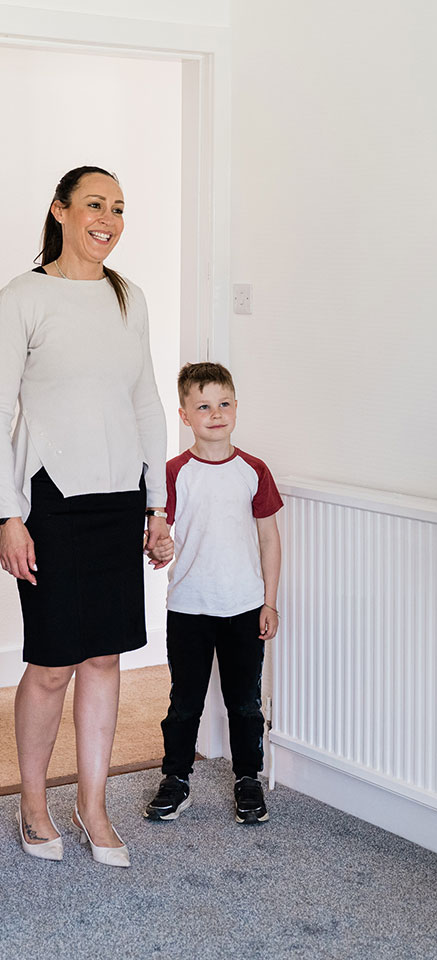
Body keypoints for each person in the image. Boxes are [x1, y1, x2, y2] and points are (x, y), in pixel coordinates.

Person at [0, 166, 173, 867]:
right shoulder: (23, 298)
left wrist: (157, 503)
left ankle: (93, 804)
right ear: (61, 211)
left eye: (120, 208)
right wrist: (7, 516)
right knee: (50, 664)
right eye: (95, 205)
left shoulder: (129, 298)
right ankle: (34, 801)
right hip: (49, 500)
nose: (108, 219)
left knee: (104, 656)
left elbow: (147, 403)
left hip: (118, 500)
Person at [143, 361, 282, 826]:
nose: (215, 414)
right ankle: (176, 779)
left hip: (244, 607)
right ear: (185, 416)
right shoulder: (174, 473)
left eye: (224, 404)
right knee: (185, 702)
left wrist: (270, 600)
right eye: (203, 406)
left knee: (245, 703)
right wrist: (159, 545)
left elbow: (269, 539)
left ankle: (248, 780)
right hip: (189, 608)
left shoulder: (254, 470)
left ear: (236, 408)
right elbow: (161, 536)